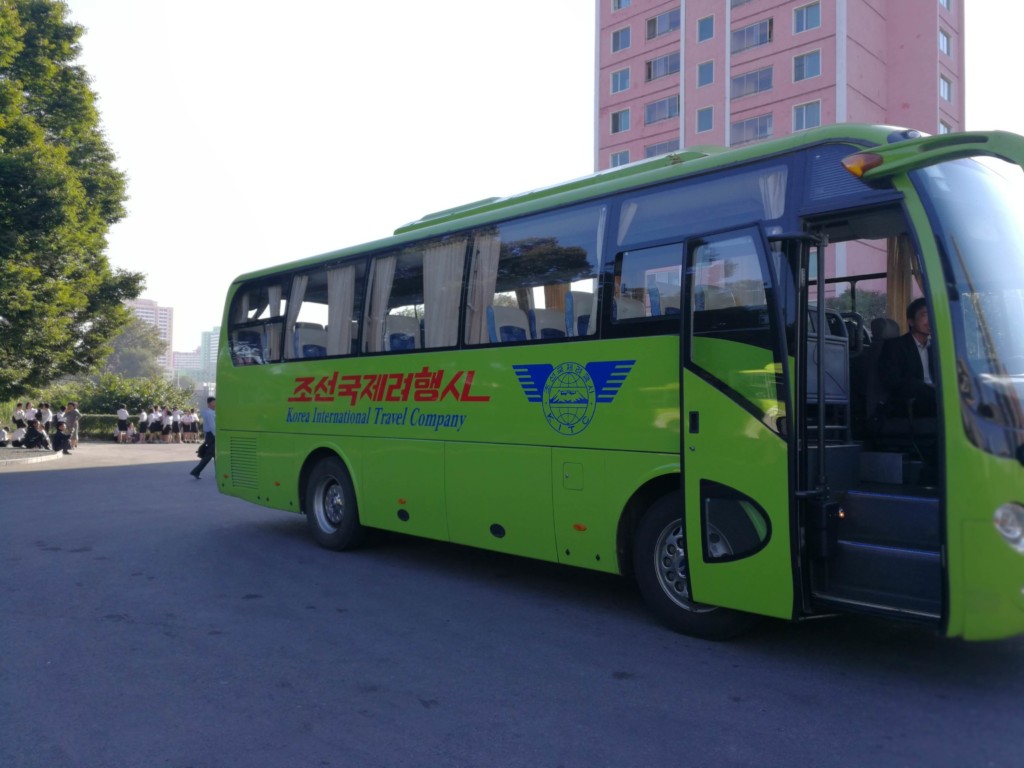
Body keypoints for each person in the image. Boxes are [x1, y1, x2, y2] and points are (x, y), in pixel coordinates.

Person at [879, 297, 937, 418]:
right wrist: (924, 386)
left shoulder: (935, 348)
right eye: (925, 315)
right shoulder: (895, 346)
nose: (931, 319)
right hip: (908, 402)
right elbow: (891, 380)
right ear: (911, 322)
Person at [190, 397, 216, 479]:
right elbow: (212, 426)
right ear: (209, 403)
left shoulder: (212, 412)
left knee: (215, 455)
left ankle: (218, 474)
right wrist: (216, 436)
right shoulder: (209, 413)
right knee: (209, 455)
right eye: (214, 402)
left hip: (211, 435)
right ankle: (196, 471)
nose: (215, 403)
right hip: (212, 435)